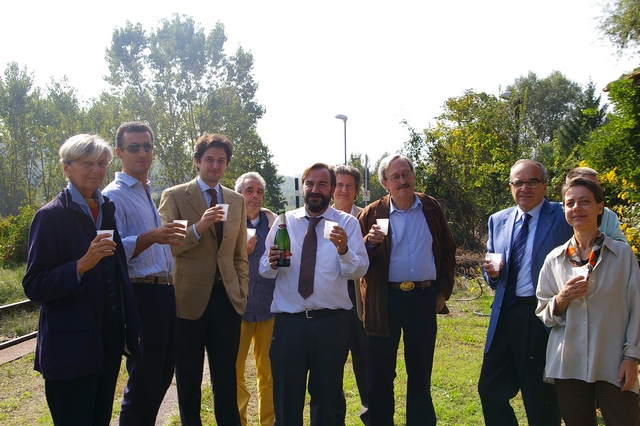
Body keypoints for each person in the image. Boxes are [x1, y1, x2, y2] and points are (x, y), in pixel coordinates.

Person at [22, 134, 142, 426]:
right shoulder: (50, 216)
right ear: (67, 168)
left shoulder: (107, 209)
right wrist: (80, 266)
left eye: (101, 163)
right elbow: (34, 284)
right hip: (70, 348)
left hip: (106, 342)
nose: (96, 171)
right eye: (87, 163)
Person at [258, 163, 369, 425]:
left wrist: (343, 250)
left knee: (327, 400)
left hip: (330, 324)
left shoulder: (347, 224)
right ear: (303, 186)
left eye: (322, 184)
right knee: (286, 400)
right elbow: (264, 268)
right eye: (310, 183)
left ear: (331, 189)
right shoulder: (285, 222)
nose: (315, 189)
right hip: (289, 325)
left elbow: (359, 269)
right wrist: (272, 262)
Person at [358, 154, 456, 426]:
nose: (403, 180)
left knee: (421, 372)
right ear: (384, 183)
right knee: (379, 374)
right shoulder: (372, 213)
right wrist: (369, 243)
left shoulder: (431, 208)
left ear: (413, 176)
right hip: (383, 300)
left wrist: (442, 292)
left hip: (423, 298)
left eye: (406, 174)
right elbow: (355, 260)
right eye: (395, 177)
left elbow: (448, 251)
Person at [158, 132, 249, 426]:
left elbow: (239, 254)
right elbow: (170, 245)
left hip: (226, 300)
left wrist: (241, 289)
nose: (215, 165)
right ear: (197, 162)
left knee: (226, 376)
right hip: (188, 301)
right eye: (209, 159)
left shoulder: (236, 200)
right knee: (188, 376)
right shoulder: (175, 196)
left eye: (221, 160)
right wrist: (199, 227)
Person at [536, 177, 640, 425]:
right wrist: (563, 297)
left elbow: (637, 308)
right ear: (564, 209)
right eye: (570, 203)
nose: (577, 208)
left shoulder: (622, 255)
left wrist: (631, 357)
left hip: (613, 360)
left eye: (585, 202)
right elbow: (544, 313)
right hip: (568, 363)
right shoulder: (555, 259)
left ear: (600, 207)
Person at [478, 159, 573, 426]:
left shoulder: (562, 216)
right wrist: (492, 273)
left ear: (545, 185)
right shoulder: (498, 220)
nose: (525, 188)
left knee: (539, 396)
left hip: (542, 315)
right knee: (490, 388)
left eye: (532, 181)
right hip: (506, 314)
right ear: (510, 187)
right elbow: (492, 270)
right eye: (518, 182)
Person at [103, 122, 184, 425]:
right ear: (119, 153)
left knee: (161, 375)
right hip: (141, 293)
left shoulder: (145, 191)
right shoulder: (113, 196)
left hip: (164, 291)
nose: (142, 153)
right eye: (134, 147)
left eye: (147, 147)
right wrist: (152, 237)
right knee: (144, 381)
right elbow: (109, 250)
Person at [234, 172, 277, 426]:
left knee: (268, 371)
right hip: (238, 307)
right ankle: (238, 419)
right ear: (239, 194)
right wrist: (240, 250)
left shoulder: (273, 223)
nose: (254, 196)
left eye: (259, 191)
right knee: (235, 371)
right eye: (249, 190)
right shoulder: (229, 223)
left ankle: (268, 421)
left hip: (269, 306)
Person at [332, 164, 368, 424]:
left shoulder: (367, 218)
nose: (344, 190)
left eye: (349, 186)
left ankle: (371, 415)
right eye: (339, 184)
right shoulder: (320, 217)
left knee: (366, 364)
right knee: (331, 367)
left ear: (356, 191)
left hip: (360, 300)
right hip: (330, 301)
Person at [565, 166, 627, 242]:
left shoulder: (608, 215)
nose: (577, 208)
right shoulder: (556, 216)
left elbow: (620, 244)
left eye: (596, 187)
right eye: (587, 185)